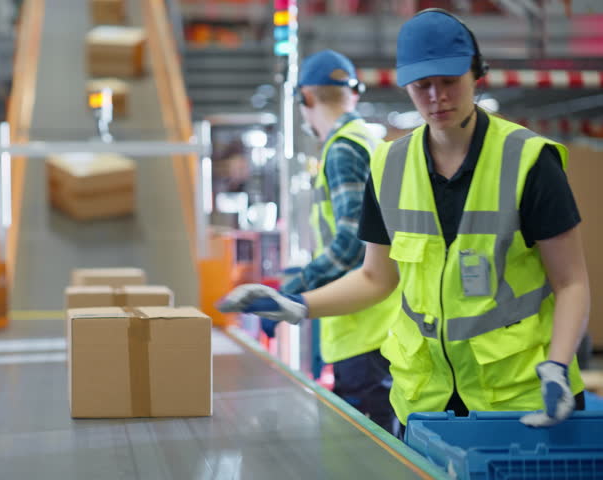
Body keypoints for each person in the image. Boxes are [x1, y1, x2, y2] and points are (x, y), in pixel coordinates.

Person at [220, 9, 588, 434]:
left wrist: (559, 365)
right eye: (422, 85)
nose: (436, 97)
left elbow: (570, 282)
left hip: (518, 398)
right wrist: (299, 304)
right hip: (426, 402)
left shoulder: (529, 161)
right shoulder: (389, 166)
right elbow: (377, 278)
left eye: (449, 82)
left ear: (476, 74)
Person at [267, 50, 400, 433]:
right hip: (382, 326)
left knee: (362, 459)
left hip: (364, 332)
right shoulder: (371, 141)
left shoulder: (343, 148)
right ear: (353, 93)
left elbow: (352, 241)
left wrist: (296, 290)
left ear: (306, 98)